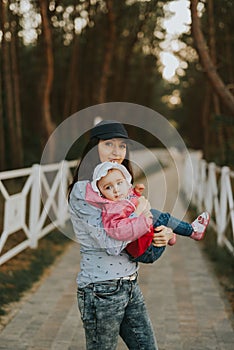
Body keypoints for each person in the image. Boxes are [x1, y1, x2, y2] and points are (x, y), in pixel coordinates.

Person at [68, 120, 188, 349]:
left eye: (122, 146)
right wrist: (143, 214)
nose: (116, 152)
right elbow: (110, 243)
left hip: (129, 283)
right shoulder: (84, 191)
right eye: (109, 144)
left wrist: (159, 234)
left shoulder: (118, 185)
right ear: (94, 147)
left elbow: (134, 232)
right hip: (100, 290)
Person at [86, 161, 210, 264]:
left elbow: (129, 204)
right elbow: (121, 230)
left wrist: (136, 193)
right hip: (147, 251)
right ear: (100, 193)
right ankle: (191, 231)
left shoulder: (119, 201)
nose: (116, 190)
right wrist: (141, 216)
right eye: (108, 187)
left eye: (119, 183)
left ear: (126, 182)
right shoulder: (110, 211)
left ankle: (179, 233)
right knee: (156, 215)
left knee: (155, 216)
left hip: (146, 244)